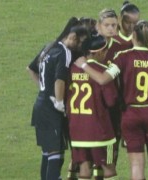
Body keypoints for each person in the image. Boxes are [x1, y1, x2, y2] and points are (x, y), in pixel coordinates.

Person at [74, 20, 148, 180]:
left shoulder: (123, 57)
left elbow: (103, 79)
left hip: (131, 114)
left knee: (136, 165)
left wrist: (84, 66)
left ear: (133, 36)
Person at [26, 17, 88, 180]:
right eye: (80, 42)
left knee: (47, 151)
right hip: (51, 110)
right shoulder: (65, 52)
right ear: (72, 37)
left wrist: (43, 89)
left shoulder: (48, 47)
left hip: (40, 106)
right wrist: (59, 102)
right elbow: (60, 79)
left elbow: (31, 69)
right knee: (56, 153)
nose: (80, 47)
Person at [67, 35, 118, 180]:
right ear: (99, 52)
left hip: (77, 129)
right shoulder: (102, 71)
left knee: (84, 169)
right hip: (99, 130)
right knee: (109, 168)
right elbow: (111, 101)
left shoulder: (73, 69)